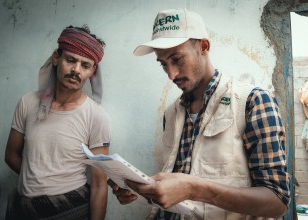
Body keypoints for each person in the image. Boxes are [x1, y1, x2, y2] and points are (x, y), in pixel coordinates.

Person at [110, 9, 290, 219]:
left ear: (203, 46)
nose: (171, 74)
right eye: (163, 64)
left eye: (177, 59)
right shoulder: (172, 112)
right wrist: (141, 190)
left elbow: (277, 202)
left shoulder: (253, 102)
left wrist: (193, 189)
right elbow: (178, 185)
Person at [4, 25, 111, 220]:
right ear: (56, 58)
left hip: (71, 209)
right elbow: (11, 155)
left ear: (92, 71)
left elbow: (99, 184)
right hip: (23, 209)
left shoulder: (97, 116)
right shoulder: (27, 103)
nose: (76, 70)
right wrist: (37, 181)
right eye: (70, 60)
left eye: (85, 65)